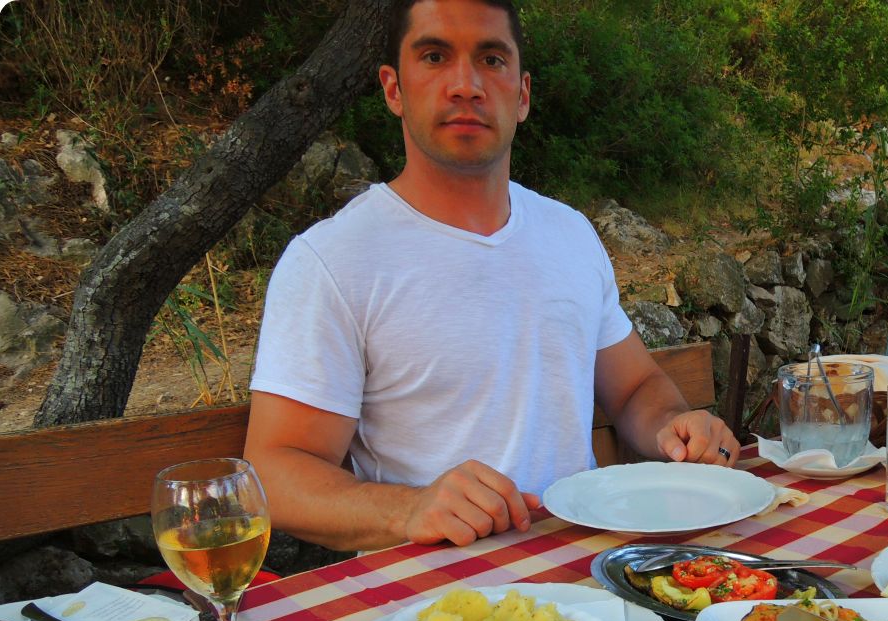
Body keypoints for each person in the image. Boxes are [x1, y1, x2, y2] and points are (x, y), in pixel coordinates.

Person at [244, 0, 739, 552]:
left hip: (588, 565)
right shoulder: (333, 260)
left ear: (522, 95)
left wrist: (673, 424)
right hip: (438, 594)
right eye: (434, 57)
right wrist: (411, 508)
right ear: (393, 89)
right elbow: (275, 471)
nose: (466, 86)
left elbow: (634, 389)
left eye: (491, 59)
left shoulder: (569, 234)